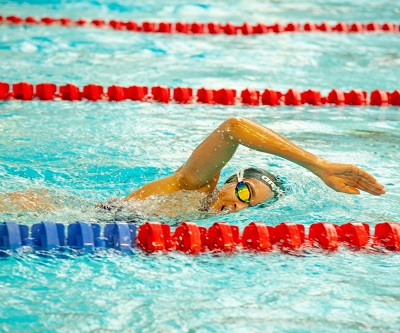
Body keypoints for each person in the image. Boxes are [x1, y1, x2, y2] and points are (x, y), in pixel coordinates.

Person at [0, 117, 386, 216]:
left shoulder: (204, 220)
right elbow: (233, 129)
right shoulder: (195, 186)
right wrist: (318, 166)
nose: (239, 204)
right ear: (230, 181)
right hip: (50, 210)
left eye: (250, 206)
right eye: (245, 192)